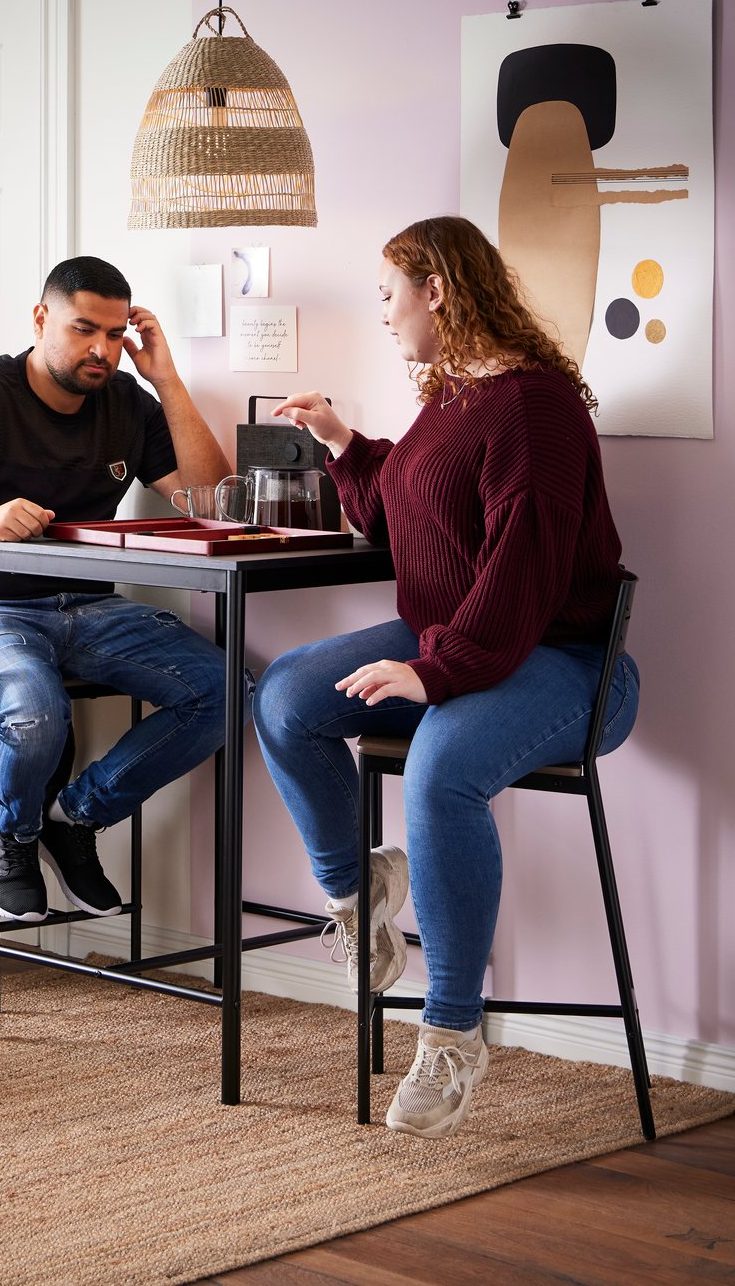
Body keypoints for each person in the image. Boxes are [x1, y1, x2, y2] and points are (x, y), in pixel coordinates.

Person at [252, 216, 640, 1139]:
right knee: (286, 698)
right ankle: (363, 894)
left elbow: (525, 565)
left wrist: (438, 672)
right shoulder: (457, 395)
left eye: (389, 293)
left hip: (568, 663)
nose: (381, 313)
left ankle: (453, 1035)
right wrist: (343, 439)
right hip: (464, 633)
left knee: (438, 767)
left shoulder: (535, 405)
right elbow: (407, 514)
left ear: (437, 289)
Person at [0, 255, 232, 924]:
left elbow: (214, 502)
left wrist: (165, 378)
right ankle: (12, 840)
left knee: (226, 691)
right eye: (82, 329)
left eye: (113, 333)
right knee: (34, 706)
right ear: (41, 318)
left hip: (81, 608)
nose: (101, 349)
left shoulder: (128, 403)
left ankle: (72, 817)